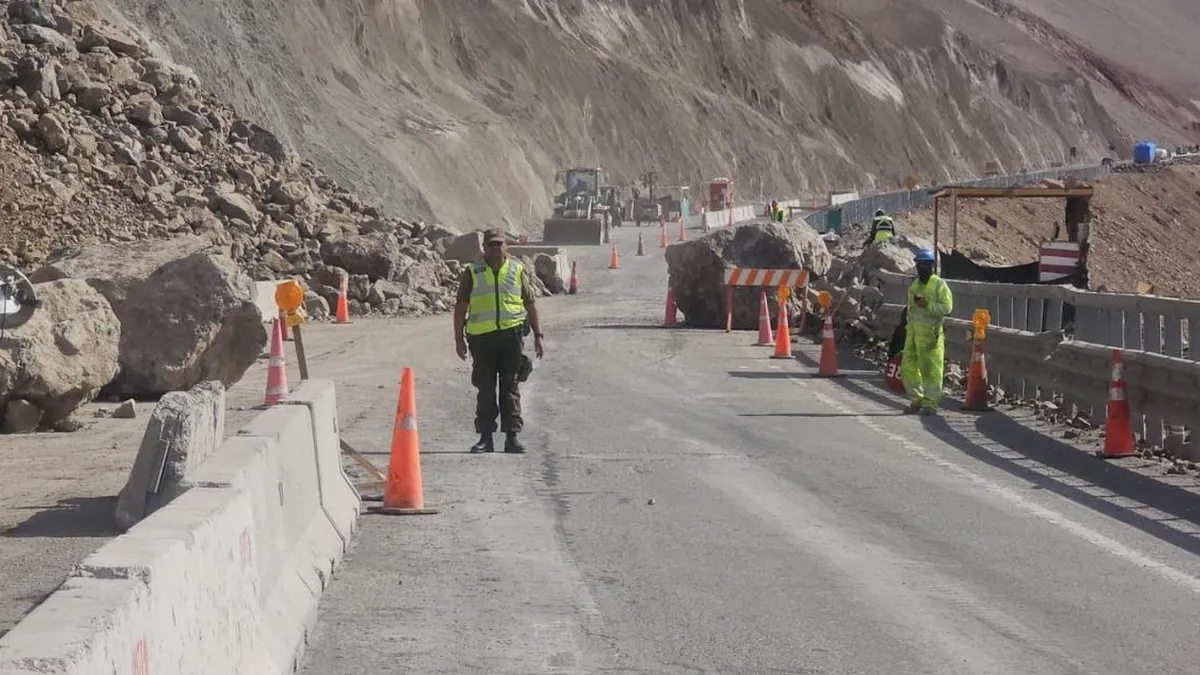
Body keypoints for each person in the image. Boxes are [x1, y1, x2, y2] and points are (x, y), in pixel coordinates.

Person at [453, 229, 546, 454]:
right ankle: (486, 438)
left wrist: (538, 335)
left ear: (507, 247)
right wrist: (458, 339)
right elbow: (461, 306)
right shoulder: (472, 272)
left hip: (511, 338)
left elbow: (530, 303)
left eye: (499, 244)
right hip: (482, 340)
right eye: (491, 245)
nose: (495, 248)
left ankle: (512, 437)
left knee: (510, 387)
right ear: (484, 247)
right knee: (485, 389)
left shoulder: (516, 270)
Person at [901, 248, 953, 416]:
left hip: (931, 337)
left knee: (931, 371)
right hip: (913, 335)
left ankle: (931, 404)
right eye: (919, 265)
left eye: (926, 265)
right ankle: (917, 399)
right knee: (908, 368)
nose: (922, 268)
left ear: (932, 266)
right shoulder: (915, 285)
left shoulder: (939, 285)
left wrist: (928, 305)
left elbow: (947, 307)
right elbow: (911, 309)